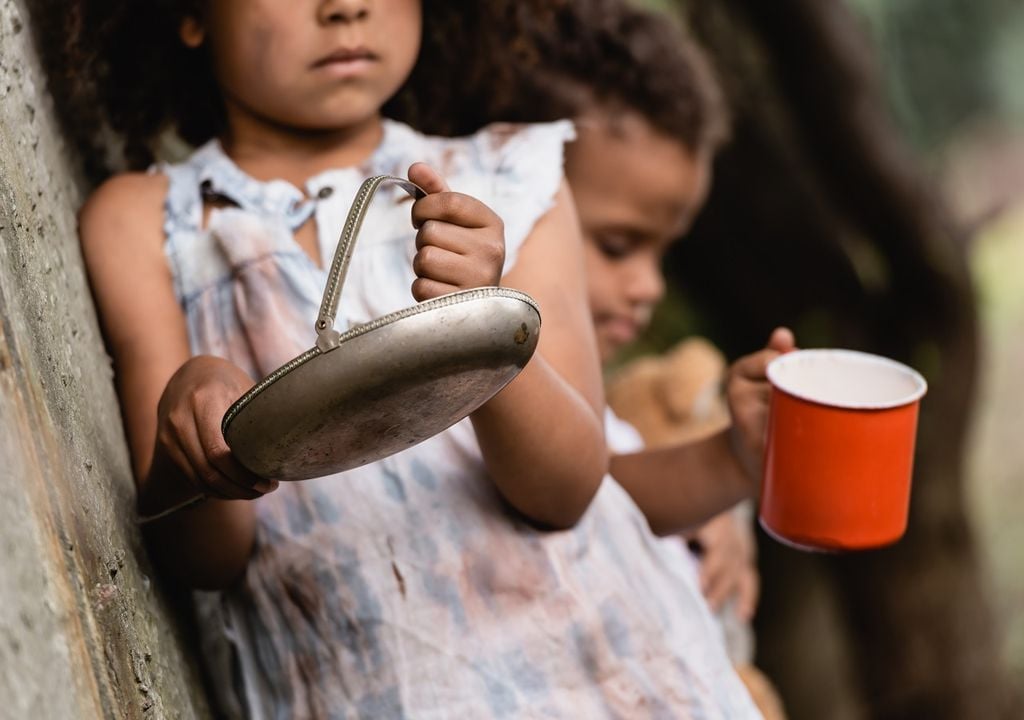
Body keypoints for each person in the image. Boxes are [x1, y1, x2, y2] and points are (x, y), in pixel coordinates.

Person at [69, 0, 783, 716]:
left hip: (609, 672)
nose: (346, 7)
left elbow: (565, 490)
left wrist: (485, 316)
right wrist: (192, 409)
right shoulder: (146, 225)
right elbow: (204, 561)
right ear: (190, 13)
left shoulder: (512, 177)